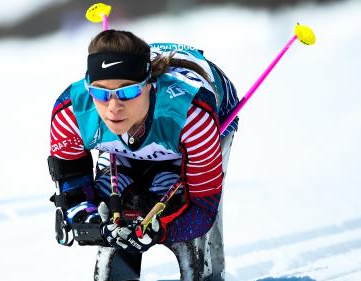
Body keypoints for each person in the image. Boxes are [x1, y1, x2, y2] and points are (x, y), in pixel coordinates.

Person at [47, 29, 239, 281]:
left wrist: (163, 231)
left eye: (128, 92)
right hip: (145, 133)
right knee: (111, 201)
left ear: (149, 85)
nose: (113, 106)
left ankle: (207, 273)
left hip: (205, 115)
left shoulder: (192, 116)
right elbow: (73, 196)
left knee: (173, 202)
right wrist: (97, 225)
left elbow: (203, 208)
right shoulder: (71, 113)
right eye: (101, 93)